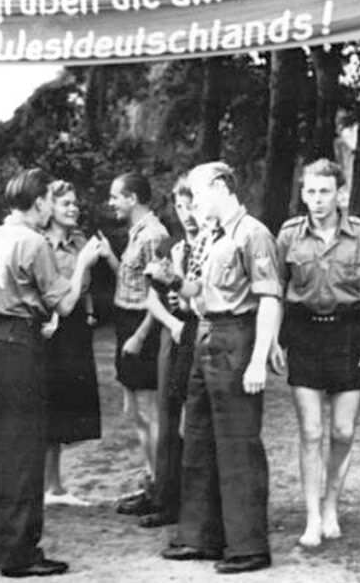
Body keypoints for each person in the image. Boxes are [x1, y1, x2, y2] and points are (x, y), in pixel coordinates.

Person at [0, 168, 101, 578]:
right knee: (22, 445)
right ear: (38, 203)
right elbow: (67, 304)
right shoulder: (34, 242)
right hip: (19, 343)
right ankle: (19, 553)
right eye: (50, 202)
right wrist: (82, 265)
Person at [149, 161, 281, 575]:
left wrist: (259, 359)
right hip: (206, 336)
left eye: (200, 194)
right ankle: (199, 537)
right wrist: (172, 280)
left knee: (238, 444)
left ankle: (247, 547)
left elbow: (270, 300)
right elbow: (201, 296)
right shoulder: (209, 236)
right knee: (199, 440)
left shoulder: (253, 234)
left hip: (237, 339)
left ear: (222, 187)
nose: (195, 203)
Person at [270, 159, 360, 548]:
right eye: (310, 191)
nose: (316, 200)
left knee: (342, 431)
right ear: (302, 193)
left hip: (350, 333)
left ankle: (332, 504)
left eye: (324, 192)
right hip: (303, 333)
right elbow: (274, 292)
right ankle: (312, 517)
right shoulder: (288, 235)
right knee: (311, 431)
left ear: (340, 193)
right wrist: (273, 339)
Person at [135, 176, 207, 529]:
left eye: (192, 204)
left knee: (192, 419)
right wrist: (172, 322)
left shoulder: (211, 246)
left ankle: (193, 502)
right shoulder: (170, 247)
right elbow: (152, 297)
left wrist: (187, 304)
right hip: (174, 334)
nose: (187, 213)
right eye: (180, 206)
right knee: (167, 413)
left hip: (200, 332)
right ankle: (165, 498)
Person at [98, 173, 168, 516]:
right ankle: (151, 481)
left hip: (144, 327)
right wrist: (110, 257)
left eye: (116, 197)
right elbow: (132, 280)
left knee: (148, 411)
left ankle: (161, 489)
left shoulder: (156, 234)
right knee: (135, 412)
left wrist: (141, 335)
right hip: (128, 322)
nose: (111, 203)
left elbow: (161, 292)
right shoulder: (137, 233)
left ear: (134, 198)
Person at [41, 180, 102, 506]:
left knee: (64, 407)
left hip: (75, 326)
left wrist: (90, 313)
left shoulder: (81, 242)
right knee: (44, 404)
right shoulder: (38, 243)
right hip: (48, 326)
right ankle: (40, 485)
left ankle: (56, 487)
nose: (73, 208)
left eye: (75, 202)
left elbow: (85, 287)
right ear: (49, 207)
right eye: (65, 203)